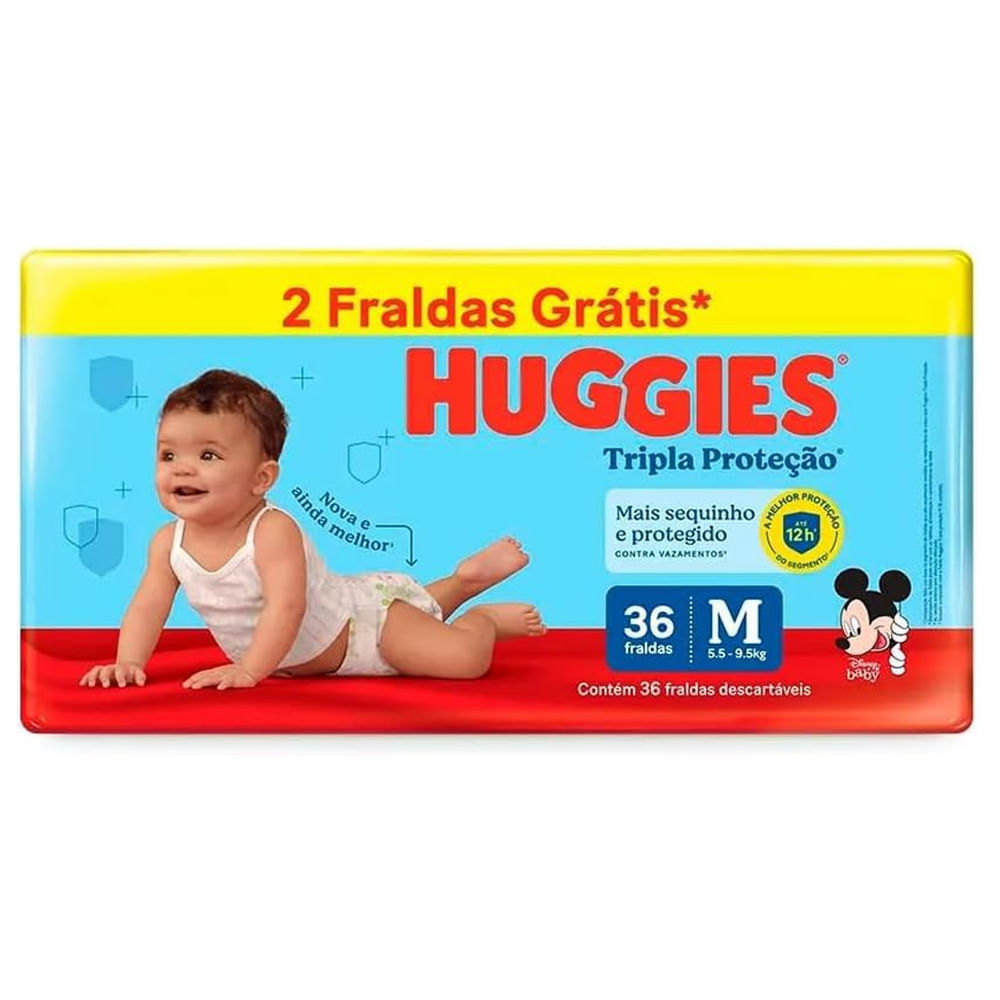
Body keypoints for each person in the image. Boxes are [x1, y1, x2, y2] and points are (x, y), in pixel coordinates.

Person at [80, 369, 544, 690]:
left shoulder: (271, 531)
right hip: (306, 653)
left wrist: (250, 670)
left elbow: (287, 606)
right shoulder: (168, 542)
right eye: (168, 455)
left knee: (461, 661)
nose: (182, 469)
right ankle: (460, 581)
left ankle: (482, 616)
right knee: (422, 616)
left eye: (208, 455)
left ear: (261, 479)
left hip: (365, 631)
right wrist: (128, 662)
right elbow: (148, 605)